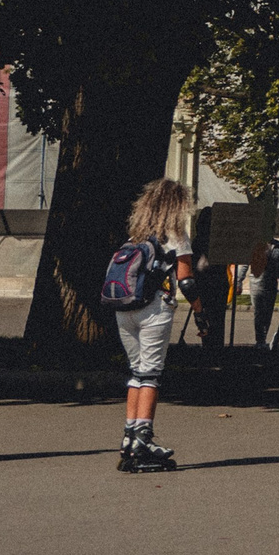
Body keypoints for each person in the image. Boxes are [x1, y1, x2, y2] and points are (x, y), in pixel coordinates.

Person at [111, 177, 197, 473]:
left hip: (124, 309)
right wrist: (201, 312)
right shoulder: (176, 234)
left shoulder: (136, 235)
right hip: (154, 309)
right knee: (150, 374)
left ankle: (129, 437)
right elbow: (186, 280)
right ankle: (143, 441)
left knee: (136, 372)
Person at [250, 236, 279, 352]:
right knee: (258, 313)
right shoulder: (255, 243)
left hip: (271, 284)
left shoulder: (278, 246)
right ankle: (259, 340)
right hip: (256, 283)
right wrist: (238, 281)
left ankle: (263, 338)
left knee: (268, 313)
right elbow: (245, 263)